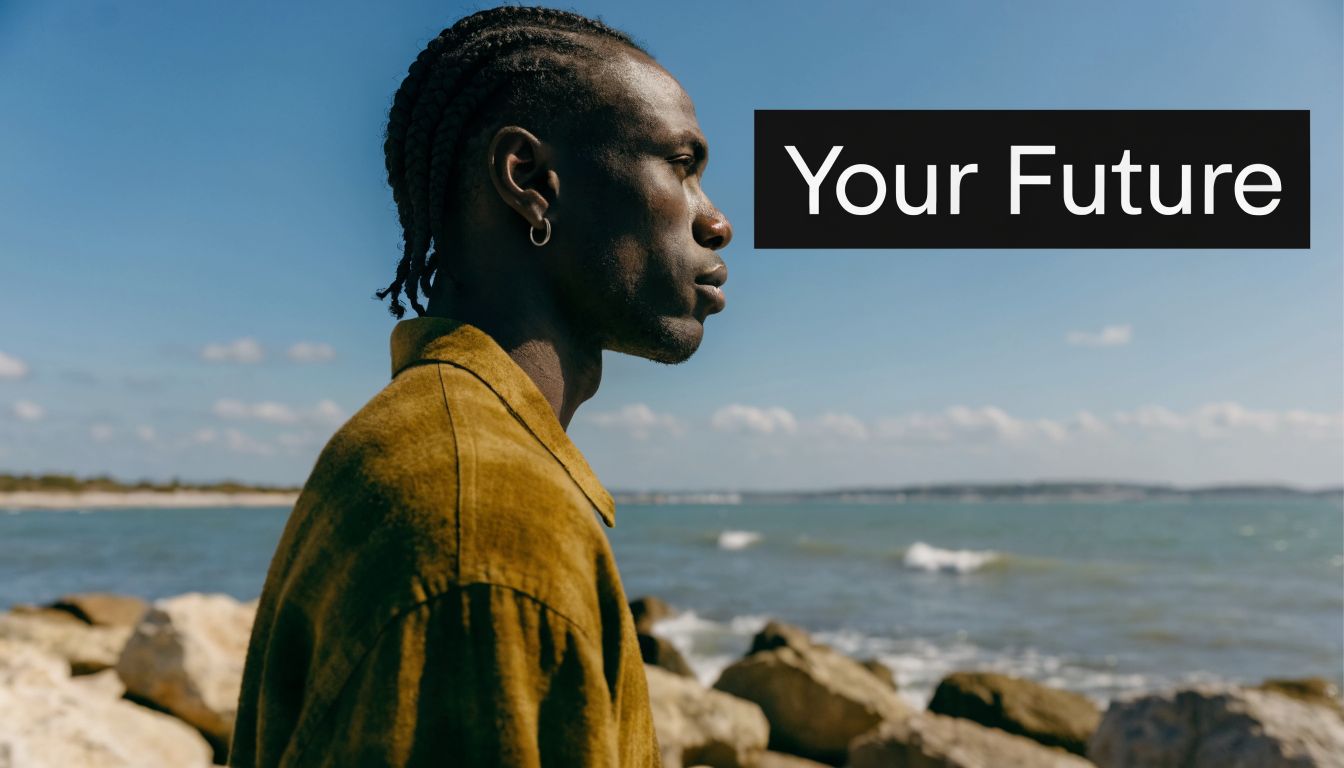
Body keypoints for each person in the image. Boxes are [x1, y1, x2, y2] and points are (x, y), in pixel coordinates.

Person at [229, 5, 732, 767]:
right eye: (681, 165)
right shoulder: (487, 532)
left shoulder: (424, 442)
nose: (716, 221)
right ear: (529, 180)